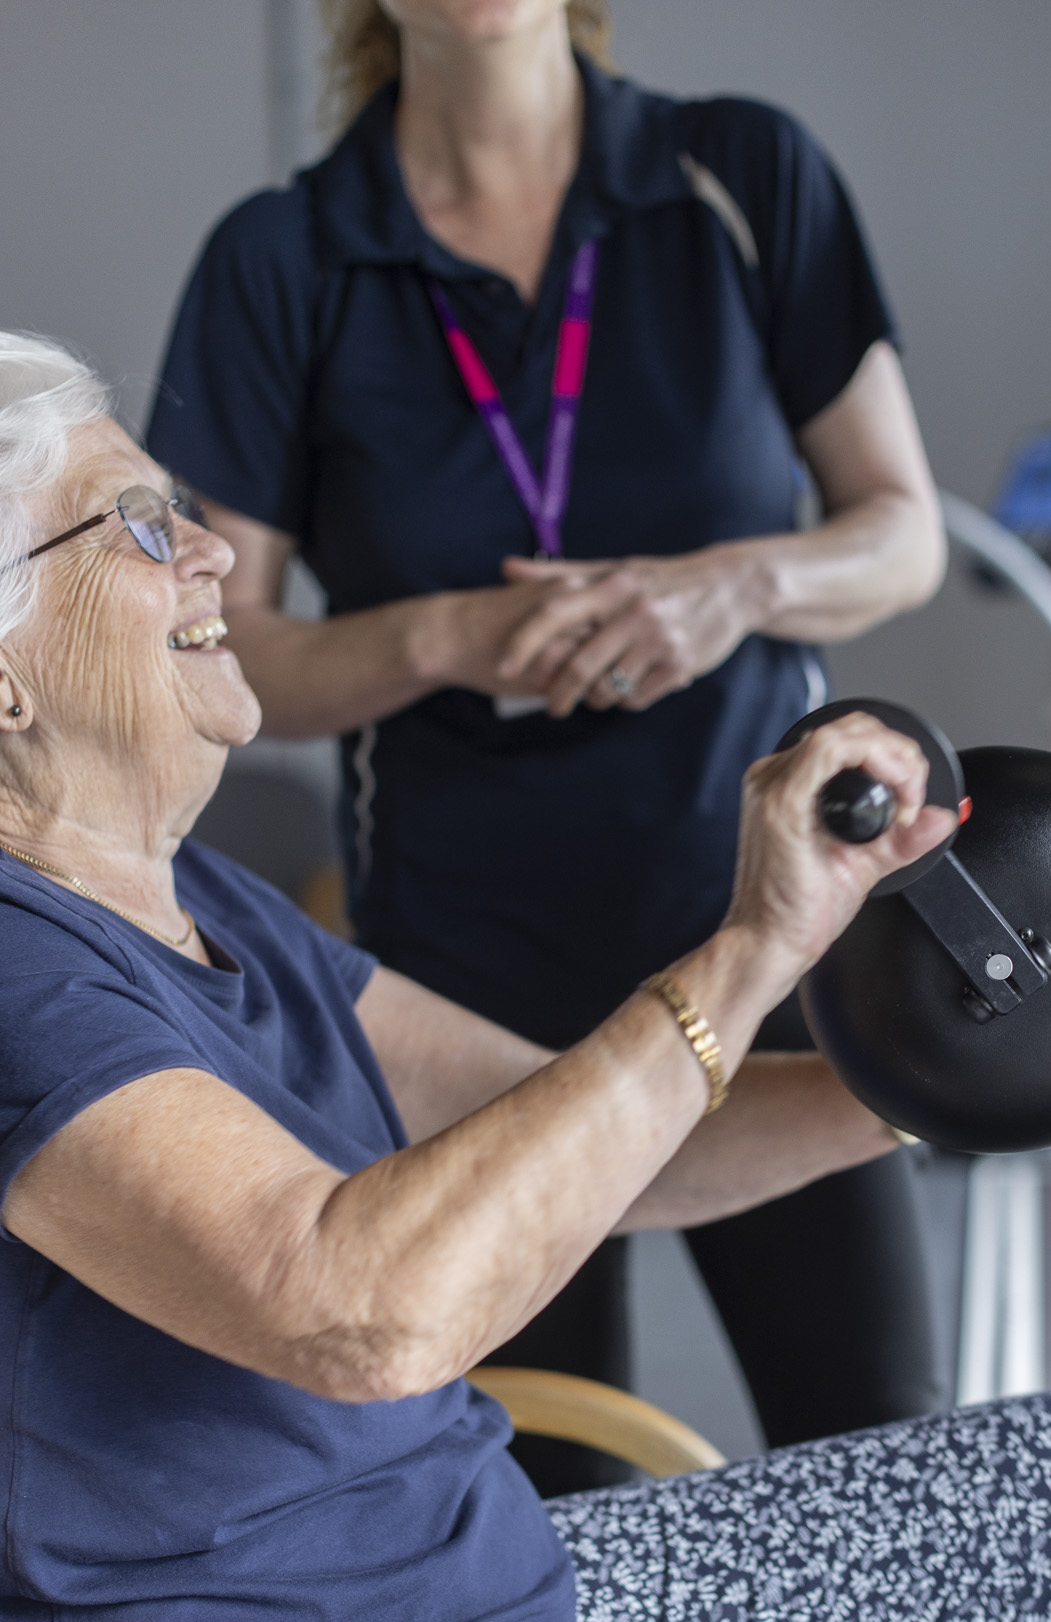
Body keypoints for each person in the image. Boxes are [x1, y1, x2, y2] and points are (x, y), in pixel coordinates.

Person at [0, 335, 1051, 1622]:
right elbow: (358, 1311)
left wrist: (945, 1071)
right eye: (134, 528)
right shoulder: (22, 981)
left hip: (472, 1613)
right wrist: (746, 950)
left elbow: (605, 1144)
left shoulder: (203, 905)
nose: (210, 553)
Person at [144, 0, 951, 1501]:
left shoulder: (737, 173)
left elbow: (899, 532)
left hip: (768, 927)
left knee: (879, 1446)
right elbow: (217, 643)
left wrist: (734, 583)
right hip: (467, 966)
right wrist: (438, 634)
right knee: (545, 1491)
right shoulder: (283, 257)